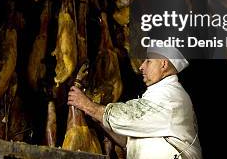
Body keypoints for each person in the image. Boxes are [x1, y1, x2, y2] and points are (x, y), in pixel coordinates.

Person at [67, 47, 202, 159]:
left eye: (148, 61)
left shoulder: (171, 96)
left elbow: (131, 116)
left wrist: (89, 106)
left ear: (163, 64)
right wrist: (98, 119)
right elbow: (129, 141)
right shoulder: (159, 94)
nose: (141, 67)